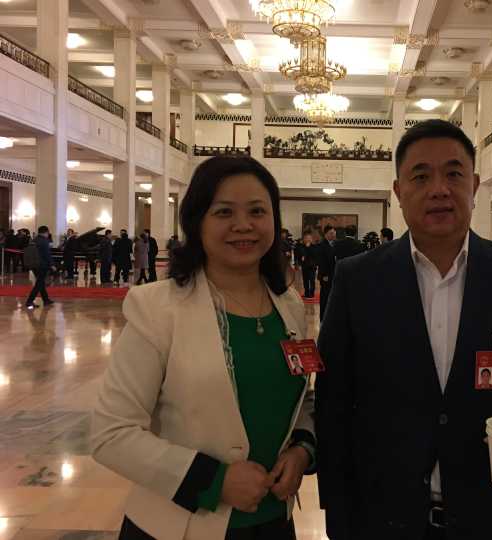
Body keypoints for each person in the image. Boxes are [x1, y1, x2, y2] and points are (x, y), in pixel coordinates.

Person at [316, 119, 492, 540]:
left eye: (454, 174)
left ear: (474, 186)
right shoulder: (358, 280)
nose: (439, 189)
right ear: (398, 192)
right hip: (381, 519)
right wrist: (337, 513)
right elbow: (333, 399)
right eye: (421, 176)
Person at [92, 156, 315, 540]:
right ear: (197, 222)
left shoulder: (288, 305)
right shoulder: (157, 308)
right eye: (224, 212)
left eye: (257, 211)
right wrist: (214, 481)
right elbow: (111, 433)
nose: (243, 225)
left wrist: (302, 449)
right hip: (179, 526)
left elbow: (299, 394)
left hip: (273, 522)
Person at [25, 225, 55, 309]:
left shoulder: (34, 240)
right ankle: (29, 301)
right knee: (39, 284)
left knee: (40, 283)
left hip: (34, 264)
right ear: (46, 232)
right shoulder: (44, 241)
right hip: (42, 265)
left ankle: (46, 300)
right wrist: (52, 265)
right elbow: (47, 254)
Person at [316, 224, 336, 321]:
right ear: (326, 234)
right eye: (331, 233)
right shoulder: (322, 245)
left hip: (334, 275)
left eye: (334, 233)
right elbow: (321, 262)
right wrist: (324, 275)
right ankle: (323, 318)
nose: (333, 235)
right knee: (325, 297)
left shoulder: (335, 244)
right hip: (326, 276)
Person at [294, 231, 317, 299]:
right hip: (304, 266)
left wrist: (308, 247)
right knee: (305, 280)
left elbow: (314, 255)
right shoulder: (301, 246)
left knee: (312, 280)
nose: (308, 239)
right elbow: (299, 254)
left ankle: (311, 294)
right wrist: (297, 263)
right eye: (306, 238)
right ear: (303, 239)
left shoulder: (314, 247)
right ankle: (306, 293)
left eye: (309, 238)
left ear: (311, 239)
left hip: (312, 266)